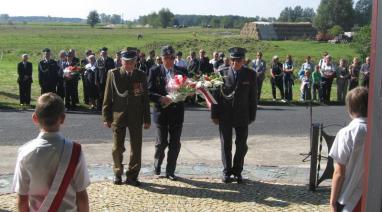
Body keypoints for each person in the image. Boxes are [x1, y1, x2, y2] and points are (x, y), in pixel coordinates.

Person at [12, 93, 90, 212]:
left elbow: (22, 198)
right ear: (62, 118)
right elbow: (81, 195)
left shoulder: (25, 152)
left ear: (35, 118)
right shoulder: (75, 151)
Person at [102, 49, 151, 186]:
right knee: (117, 147)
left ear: (136, 62)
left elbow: (145, 99)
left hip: (136, 116)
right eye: (126, 62)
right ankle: (118, 173)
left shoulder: (141, 75)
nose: (129, 65)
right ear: (121, 61)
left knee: (136, 148)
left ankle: (132, 176)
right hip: (118, 116)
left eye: (132, 62)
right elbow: (107, 97)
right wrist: (106, 116)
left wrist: (147, 119)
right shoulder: (114, 74)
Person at [211, 47, 257, 184]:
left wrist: (252, 115)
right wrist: (214, 114)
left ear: (243, 60)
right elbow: (216, 95)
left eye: (238, 60)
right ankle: (227, 171)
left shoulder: (250, 74)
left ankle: (237, 171)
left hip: (242, 115)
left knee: (241, 145)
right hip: (225, 115)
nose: (235, 62)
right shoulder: (222, 73)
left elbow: (253, 97)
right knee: (226, 144)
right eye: (233, 60)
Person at [148, 45, 188, 181]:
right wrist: (160, 98)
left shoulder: (182, 71)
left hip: (177, 113)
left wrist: (187, 93)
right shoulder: (154, 71)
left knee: (175, 144)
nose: (169, 60)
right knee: (162, 143)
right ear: (162, 58)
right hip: (161, 113)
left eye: (172, 58)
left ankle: (170, 170)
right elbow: (148, 91)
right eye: (166, 58)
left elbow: (187, 89)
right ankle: (157, 163)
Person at [329, 87, 368, 212]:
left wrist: (332, 201)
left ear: (350, 108)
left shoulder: (347, 133)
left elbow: (339, 172)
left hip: (349, 198)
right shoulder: (376, 129)